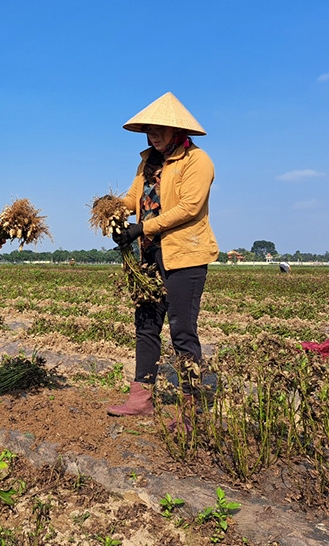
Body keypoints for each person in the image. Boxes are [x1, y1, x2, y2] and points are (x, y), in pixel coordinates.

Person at [107, 93, 219, 432]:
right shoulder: (147, 163)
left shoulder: (197, 162)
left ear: (175, 130)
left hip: (184, 255)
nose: (152, 135)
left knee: (182, 331)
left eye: (159, 129)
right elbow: (133, 197)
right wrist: (112, 207)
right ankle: (141, 399)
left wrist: (143, 226)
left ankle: (191, 409)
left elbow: (188, 208)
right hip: (149, 255)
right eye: (149, 130)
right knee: (146, 324)